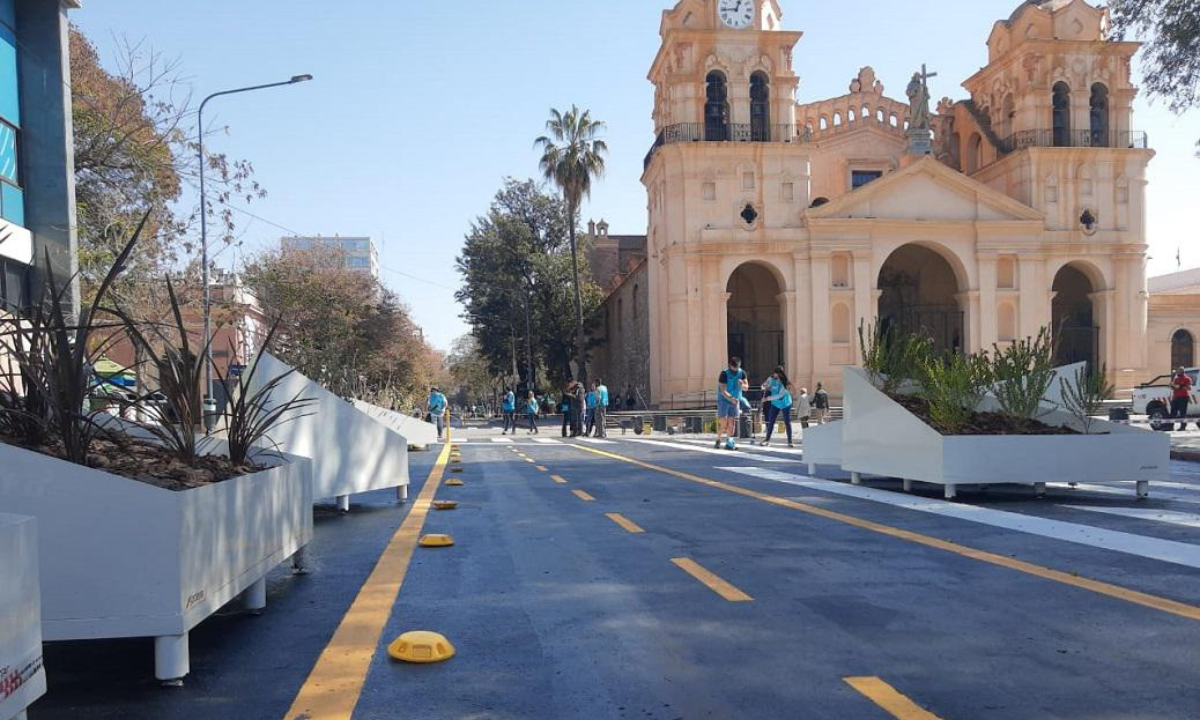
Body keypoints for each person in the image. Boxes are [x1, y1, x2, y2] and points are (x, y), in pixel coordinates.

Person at [715, 357, 749, 450]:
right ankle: (718, 439)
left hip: (735, 400)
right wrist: (731, 398)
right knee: (723, 422)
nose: (736, 370)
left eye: (737, 367)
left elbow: (746, 388)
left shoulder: (742, 373)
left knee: (732, 422)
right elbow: (723, 391)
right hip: (724, 400)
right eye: (734, 368)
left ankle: (729, 442)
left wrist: (742, 385)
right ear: (730, 366)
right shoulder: (724, 374)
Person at [761, 367, 795, 448]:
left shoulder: (784, 382)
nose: (774, 375)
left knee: (787, 422)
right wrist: (764, 387)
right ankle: (767, 440)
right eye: (774, 373)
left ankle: (790, 441)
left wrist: (767, 399)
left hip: (785, 403)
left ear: (780, 374)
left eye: (775, 373)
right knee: (771, 421)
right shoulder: (771, 379)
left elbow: (780, 396)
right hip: (775, 404)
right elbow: (763, 385)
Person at [1170, 366, 1193, 432]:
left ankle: (1183, 427)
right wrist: (1172, 386)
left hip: (1183, 398)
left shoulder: (1187, 379)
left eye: (1180, 371)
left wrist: (1181, 386)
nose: (1178, 372)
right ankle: (1171, 427)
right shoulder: (1176, 379)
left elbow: (1189, 388)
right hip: (1175, 398)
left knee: (1182, 413)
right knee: (1173, 413)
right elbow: (1172, 387)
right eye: (1178, 371)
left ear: (1183, 372)